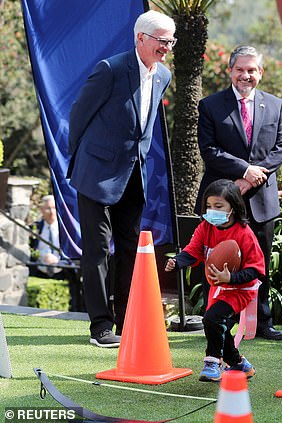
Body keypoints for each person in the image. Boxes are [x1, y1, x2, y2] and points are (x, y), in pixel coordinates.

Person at [67, 10, 175, 348]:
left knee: (130, 249)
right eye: (162, 40)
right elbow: (78, 117)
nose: (167, 47)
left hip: (134, 174)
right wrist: (84, 160)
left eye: (171, 41)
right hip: (96, 173)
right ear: (140, 38)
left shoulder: (163, 76)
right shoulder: (110, 69)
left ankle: (126, 320)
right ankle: (100, 327)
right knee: (97, 250)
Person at [196, 45, 282, 341]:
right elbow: (209, 150)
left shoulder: (276, 105)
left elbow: (280, 149)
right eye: (240, 70)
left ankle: (262, 322)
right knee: (218, 260)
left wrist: (252, 177)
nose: (245, 76)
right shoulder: (210, 106)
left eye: (251, 70)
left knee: (258, 262)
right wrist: (244, 170)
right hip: (222, 200)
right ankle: (220, 321)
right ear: (230, 71)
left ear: (260, 73)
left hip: (261, 198)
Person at [166, 179, 264, 382]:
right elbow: (192, 251)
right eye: (209, 206)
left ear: (233, 207)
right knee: (218, 325)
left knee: (212, 319)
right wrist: (177, 262)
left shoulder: (245, 234)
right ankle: (238, 364)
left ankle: (212, 361)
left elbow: (256, 270)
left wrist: (232, 278)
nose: (213, 211)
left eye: (218, 206)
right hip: (217, 288)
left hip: (241, 290)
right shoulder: (205, 228)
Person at [29, 195, 63, 279]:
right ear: (41, 210)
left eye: (54, 208)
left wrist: (58, 260)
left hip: (63, 272)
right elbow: (31, 249)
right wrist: (43, 256)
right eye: (48, 208)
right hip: (38, 272)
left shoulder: (64, 229)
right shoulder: (35, 228)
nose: (52, 212)